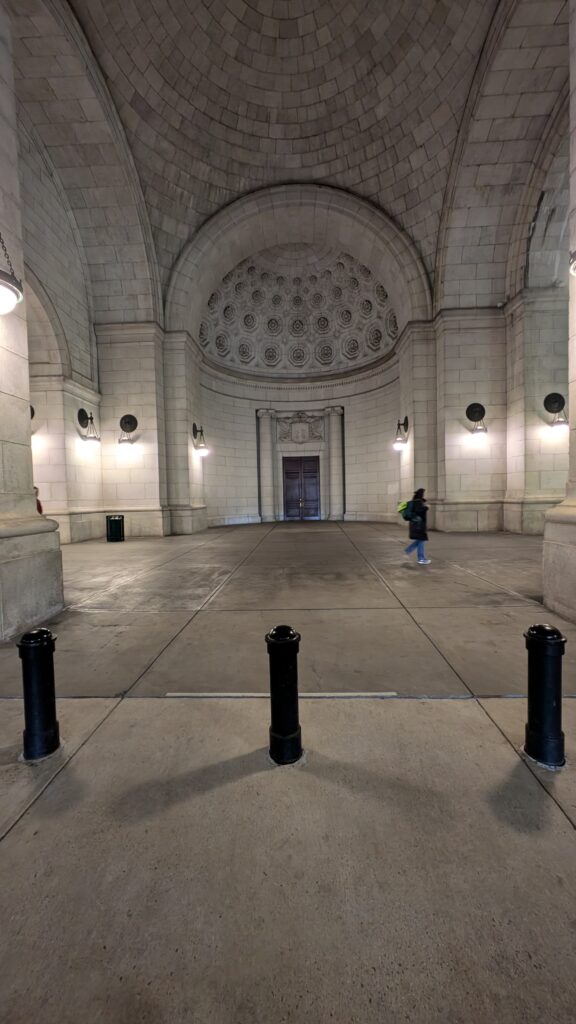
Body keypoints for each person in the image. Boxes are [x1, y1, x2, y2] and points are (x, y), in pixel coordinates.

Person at [404, 487, 430, 565]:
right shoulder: (418, 502)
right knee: (421, 540)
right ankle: (421, 559)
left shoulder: (415, 501)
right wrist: (426, 507)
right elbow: (419, 510)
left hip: (416, 524)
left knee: (421, 540)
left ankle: (409, 550)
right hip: (419, 525)